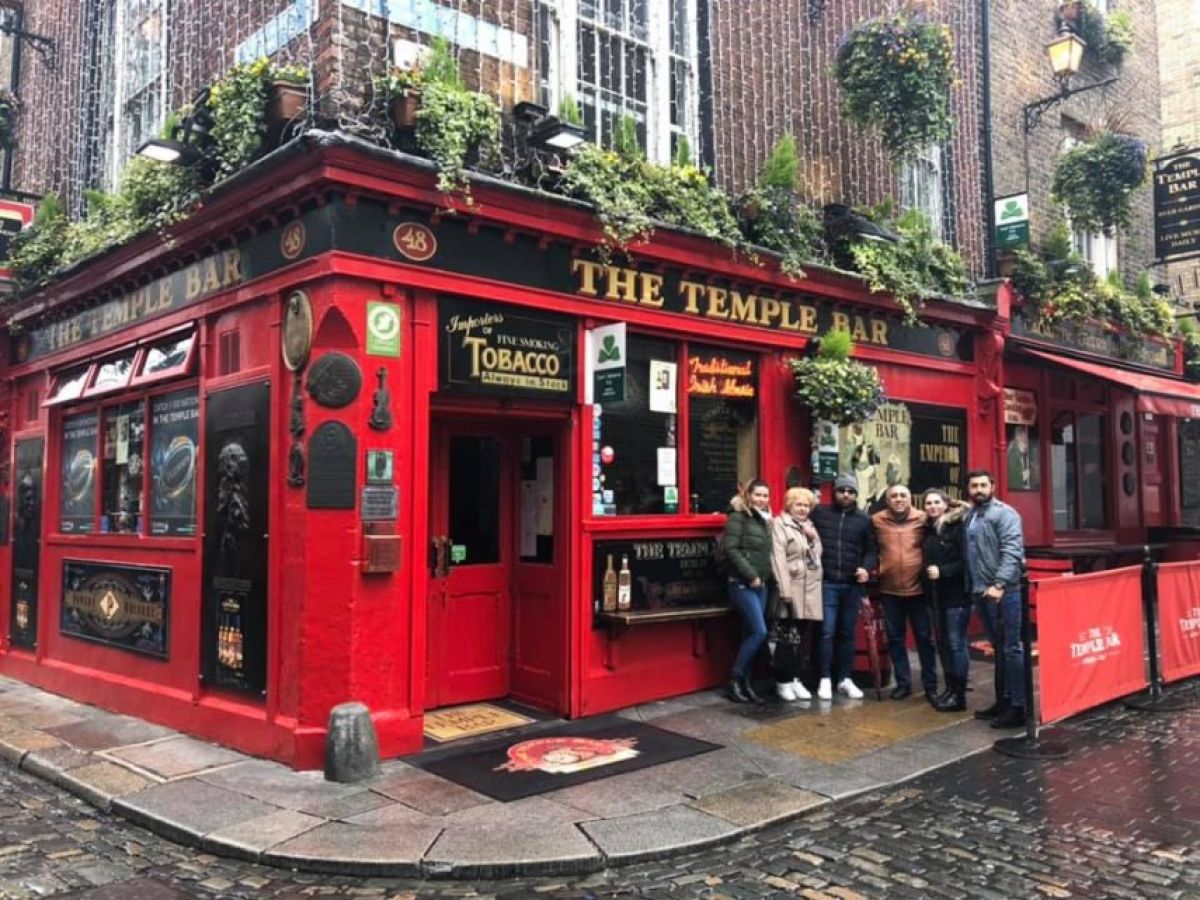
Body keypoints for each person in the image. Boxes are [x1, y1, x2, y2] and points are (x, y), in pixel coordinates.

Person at [963, 470, 1027, 729]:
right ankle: (1003, 701)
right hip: (981, 591)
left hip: (1005, 591)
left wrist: (999, 583)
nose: (978, 490)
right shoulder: (971, 514)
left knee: (1011, 648)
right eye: (974, 486)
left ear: (993, 486)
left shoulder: (1005, 514)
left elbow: (1012, 551)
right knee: (998, 648)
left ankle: (1019, 707)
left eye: (983, 485)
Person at [810, 474, 877, 701]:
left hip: (851, 583)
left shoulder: (864, 520)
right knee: (826, 631)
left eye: (850, 491)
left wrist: (866, 568)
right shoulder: (820, 513)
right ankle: (824, 678)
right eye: (842, 491)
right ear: (834, 492)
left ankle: (845, 678)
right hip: (826, 582)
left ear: (856, 495)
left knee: (847, 633)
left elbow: (871, 551)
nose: (846, 495)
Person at [872, 484, 939, 703]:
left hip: (918, 590)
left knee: (924, 639)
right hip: (889, 590)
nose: (898, 499)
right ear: (887, 500)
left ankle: (931, 685)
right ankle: (903, 683)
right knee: (895, 639)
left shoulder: (923, 519)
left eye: (903, 495)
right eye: (894, 496)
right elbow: (869, 549)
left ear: (910, 499)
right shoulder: (877, 520)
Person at [722, 479, 774, 704]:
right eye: (758, 495)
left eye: (765, 496)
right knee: (759, 632)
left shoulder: (765, 520)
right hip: (742, 583)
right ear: (748, 496)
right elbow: (731, 549)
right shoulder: (738, 517)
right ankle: (734, 679)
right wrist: (751, 575)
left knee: (750, 633)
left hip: (762, 585)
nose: (762, 499)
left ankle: (746, 683)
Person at [770, 487, 823, 701]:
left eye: (806, 506)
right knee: (785, 636)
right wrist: (784, 591)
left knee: (800, 636)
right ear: (789, 505)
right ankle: (783, 681)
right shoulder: (779, 524)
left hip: (809, 588)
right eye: (798, 504)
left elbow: (817, 554)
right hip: (790, 587)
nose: (802, 509)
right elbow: (778, 558)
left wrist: (812, 539)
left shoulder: (809, 526)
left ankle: (795, 678)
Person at [922, 489, 970, 712]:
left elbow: (966, 560)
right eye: (928, 503)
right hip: (935, 595)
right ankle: (950, 689)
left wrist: (943, 571)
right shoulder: (929, 529)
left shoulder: (957, 527)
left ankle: (959, 695)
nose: (932, 506)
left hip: (956, 594)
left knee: (955, 643)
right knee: (943, 645)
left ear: (945, 504)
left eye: (936, 502)